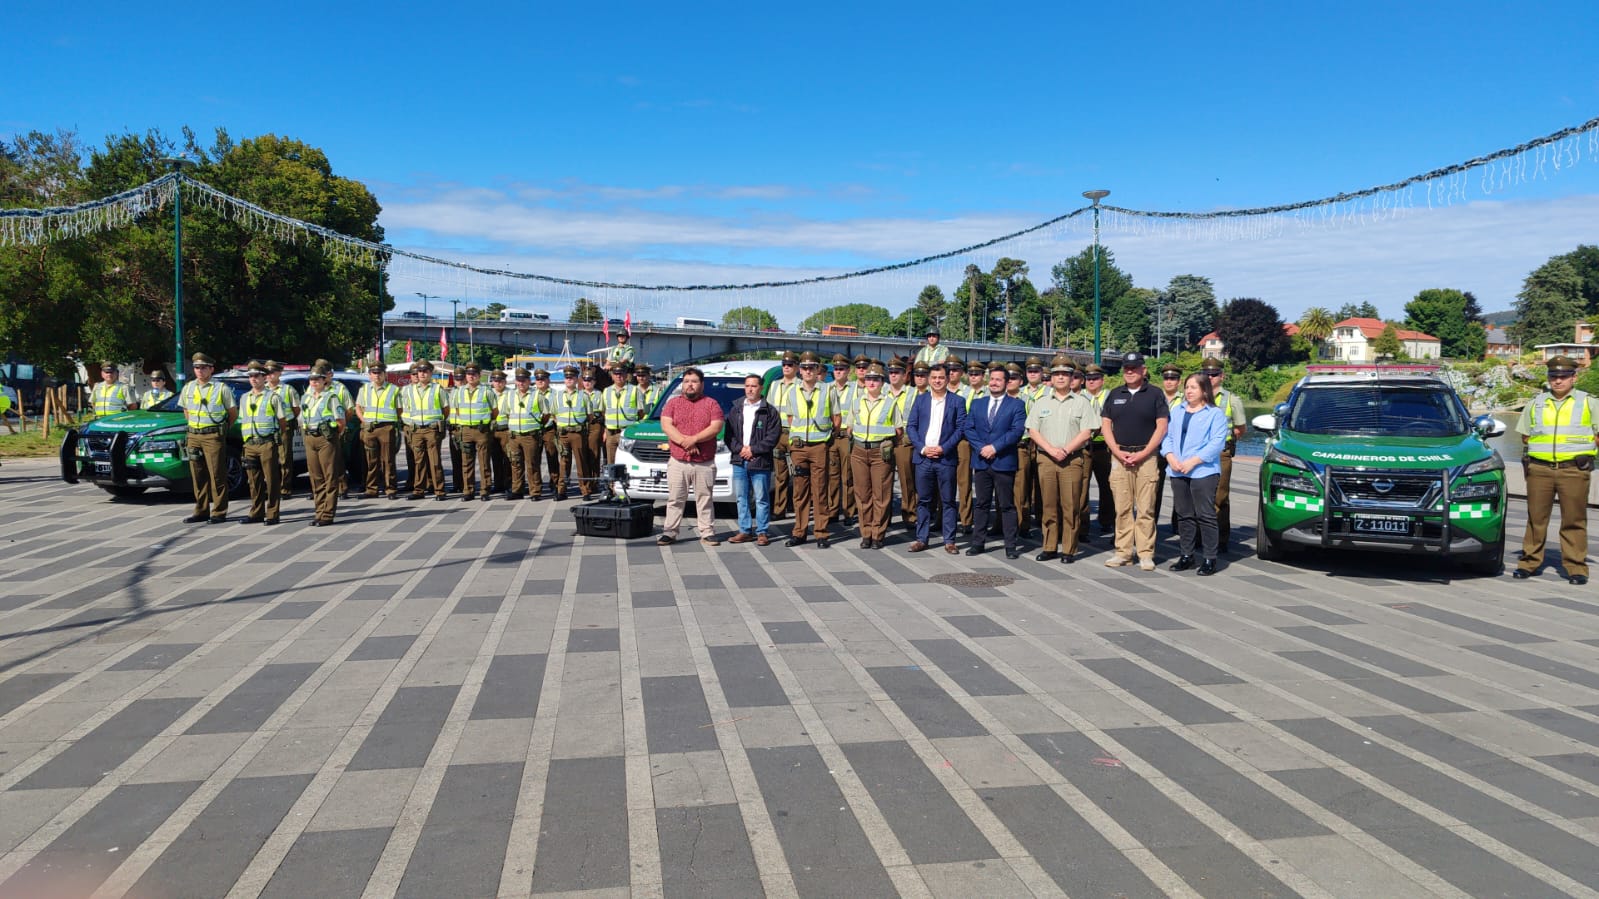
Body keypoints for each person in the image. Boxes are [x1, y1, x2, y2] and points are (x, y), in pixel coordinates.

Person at [1515, 355, 1599, 584]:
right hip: (1539, 469)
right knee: (1536, 518)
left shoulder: (1589, 402)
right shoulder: (1536, 402)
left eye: (1563, 376)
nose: (1558, 381)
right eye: (1554, 376)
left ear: (1574, 377)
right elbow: (1525, 435)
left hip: (1573, 469)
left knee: (1574, 519)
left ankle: (1576, 568)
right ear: (1548, 378)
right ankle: (1529, 563)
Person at [1100, 352, 1170, 570]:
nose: (1129, 371)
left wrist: (1145, 452)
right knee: (1121, 508)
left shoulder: (1155, 394)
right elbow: (1105, 426)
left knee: (1146, 508)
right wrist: (1117, 452)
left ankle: (1145, 553)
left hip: (1146, 457)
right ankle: (1122, 552)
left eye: (1134, 367)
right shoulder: (1114, 394)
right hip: (1120, 456)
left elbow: (1162, 427)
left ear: (1144, 370)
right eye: (1126, 368)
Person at [1027, 356, 1096, 562]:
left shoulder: (1082, 402)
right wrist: (1049, 449)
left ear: (1071, 377)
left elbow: (1086, 432)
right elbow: (1033, 431)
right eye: (1056, 374)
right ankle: (1049, 546)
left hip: (1071, 460)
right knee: (1048, 506)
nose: (1060, 378)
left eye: (1065, 374)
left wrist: (1065, 450)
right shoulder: (1041, 402)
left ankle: (1069, 549)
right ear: (1051, 377)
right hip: (1047, 459)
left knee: (1070, 506)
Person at [1162, 373, 1229, 575]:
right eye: (1187, 387)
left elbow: (1217, 443)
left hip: (1203, 471)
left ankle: (1209, 557)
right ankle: (1186, 555)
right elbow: (1167, 436)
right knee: (1184, 515)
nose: (1189, 391)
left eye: (1194, 387)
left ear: (1204, 390)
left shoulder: (1214, 414)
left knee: (1206, 515)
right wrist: (1170, 456)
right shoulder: (1177, 410)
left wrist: (1194, 461)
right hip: (1177, 468)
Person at [963, 362, 1028, 558]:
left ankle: (1010, 546)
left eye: (999, 380)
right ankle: (978, 543)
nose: (994, 383)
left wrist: (995, 447)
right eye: (992, 379)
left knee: (1006, 504)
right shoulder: (977, 403)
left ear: (1007, 383)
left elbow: (1016, 431)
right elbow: (968, 428)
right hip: (981, 461)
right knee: (981, 503)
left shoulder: (1016, 405)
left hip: (1003, 461)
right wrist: (981, 448)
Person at [658, 367, 724, 546]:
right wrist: (684, 442)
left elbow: (716, 427)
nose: (690, 385)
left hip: (704, 462)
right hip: (678, 461)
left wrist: (694, 439)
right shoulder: (672, 404)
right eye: (686, 382)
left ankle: (707, 532)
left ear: (701, 384)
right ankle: (670, 532)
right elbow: (666, 425)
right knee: (675, 499)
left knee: (705, 498)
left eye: (694, 381)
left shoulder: (712, 404)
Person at [906, 363, 966, 554]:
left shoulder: (957, 401)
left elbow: (960, 429)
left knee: (948, 500)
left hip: (945, 458)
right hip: (923, 458)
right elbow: (911, 427)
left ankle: (949, 540)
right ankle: (921, 538)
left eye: (941, 377)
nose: (937, 381)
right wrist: (923, 448)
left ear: (948, 379)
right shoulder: (920, 400)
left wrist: (943, 448)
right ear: (929, 380)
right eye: (934, 378)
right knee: (923, 500)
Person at [785, 351, 838, 548]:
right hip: (799, 447)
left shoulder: (828, 390)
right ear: (800, 370)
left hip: (819, 446)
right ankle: (799, 531)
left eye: (812, 367)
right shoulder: (792, 390)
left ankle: (821, 533)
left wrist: (825, 438)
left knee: (820, 490)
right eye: (805, 367)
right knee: (799, 492)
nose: (808, 371)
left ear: (818, 370)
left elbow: (837, 418)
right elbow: (791, 418)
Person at [849, 363, 903, 549]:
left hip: (880, 452)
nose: (871, 382)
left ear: (882, 382)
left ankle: (878, 534)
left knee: (881, 494)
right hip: (858, 451)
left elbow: (898, 430)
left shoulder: (890, 403)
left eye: (876, 379)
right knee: (863, 494)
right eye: (868, 379)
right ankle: (866, 534)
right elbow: (850, 427)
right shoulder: (856, 402)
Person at [178, 353, 237, 524]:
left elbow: (232, 413)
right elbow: (186, 410)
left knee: (217, 474)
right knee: (197, 475)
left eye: (203, 367)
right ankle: (201, 510)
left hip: (213, 435)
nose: (199, 371)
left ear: (211, 369)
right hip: (194, 434)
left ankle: (219, 511)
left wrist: (221, 430)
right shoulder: (188, 387)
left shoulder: (221, 388)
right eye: (197, 367)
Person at [725, 372, 781, 545]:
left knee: (761, 498)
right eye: (747, 385)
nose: (750, 389)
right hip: (740, 459)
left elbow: (773, 436)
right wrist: (740, 449)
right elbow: (729, 435)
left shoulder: (769, 411)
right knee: (741, 497)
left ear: (761, 388)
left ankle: (762, 531)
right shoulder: (736, 409)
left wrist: (754, 450)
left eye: (754, 386)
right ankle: (744, 530)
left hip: (760, 460)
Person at [1202, 358, 1247, 553]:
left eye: (1214, 374)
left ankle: (1221, 539)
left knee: (1220, 497)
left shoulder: (1231, 400)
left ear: (1222, 376)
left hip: (1221, 454)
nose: (1210, 378)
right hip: (1198, 454)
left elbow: (1240, 428)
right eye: (1206, 374)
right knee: (1199, 496)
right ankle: (1198, 536)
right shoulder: (1194, 396)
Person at [238, 361, 289, 525]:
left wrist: (275, 438)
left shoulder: (273, 397)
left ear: (264, 377)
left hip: (267, 443)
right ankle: (256, 512)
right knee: (253, 480)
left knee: (272, 479)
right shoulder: (245, 398)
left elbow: (282, 421)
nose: (253, 379)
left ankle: (273, 513)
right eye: (250, 376)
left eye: (256, 376)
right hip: (250, 443)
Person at [300, 369, 346, 526]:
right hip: (310, 438)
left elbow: (341, 421)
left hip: (326, 439)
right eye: (312, 379)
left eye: (318, 379)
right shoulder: (306, 397)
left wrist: (332, 437)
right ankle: (319, 512)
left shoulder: (331, 397)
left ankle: (328, 514)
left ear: (324, 380)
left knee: (329, 476)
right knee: (315, 477)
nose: (314, 382)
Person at [503, 367, 554, 500]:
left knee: (532, 463)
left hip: (530, 435)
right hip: (514, 435)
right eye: (518, 380)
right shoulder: (509, 395)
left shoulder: (537, 395)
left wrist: (539, 425)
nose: (521, 383)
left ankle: (535, 491)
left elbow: (547, 413)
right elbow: (507, 413)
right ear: (515, 381)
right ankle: (517, 490)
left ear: (528, 381)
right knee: (516, 463)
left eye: (523, 380)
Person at [402, 360, 449, 500]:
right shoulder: (408, 390)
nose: (422, 374)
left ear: (430, 373)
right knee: (419, 462)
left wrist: (436, 422)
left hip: (431, 430)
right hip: (416, 430)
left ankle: (439, 491)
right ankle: (419, 490)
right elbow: (405, 409)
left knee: (434, 461)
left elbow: (446, 409)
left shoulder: (437, 389)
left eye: (425, 371)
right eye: (420, 371)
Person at [449, 362, 496, 501]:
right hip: (466, 430)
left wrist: (485, 422)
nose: (471, 377)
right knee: (466, 462)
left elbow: (495, 411)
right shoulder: (459, 391)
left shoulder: (487, 391)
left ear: (479, 376)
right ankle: (468, 490)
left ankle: (484, 490)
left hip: (481, 430)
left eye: (474, 374)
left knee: (484, 462)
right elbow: (457, 410)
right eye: (468, 374)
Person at [355, 361, 401, 499]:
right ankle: (371, 489)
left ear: (384, 374)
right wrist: (364, 421)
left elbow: (399, 409)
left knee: (388, 460)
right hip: (370, 428)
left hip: (386, 427)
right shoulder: (364, 389)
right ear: (369, 375)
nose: (377, 376)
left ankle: (390, 489)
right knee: (371, 460)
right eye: (374, 373)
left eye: (379, 373)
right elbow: (358, 407)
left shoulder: (393, 389)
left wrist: (390, 421)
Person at [1081, 364, 1115, 541]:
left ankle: (1106, 520)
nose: (1091, 382)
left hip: (1104, 447)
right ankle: (1083, 525)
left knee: (1107, 486)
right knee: (1082, 487)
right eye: (1088, 379)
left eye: (1095, 379)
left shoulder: (1110, 396)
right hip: (1085, 446)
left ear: (1102, 380)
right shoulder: (1080, 397)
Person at [766, 352, 801, 520]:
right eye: (784, 364)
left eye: (790, 364)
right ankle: (779, 510)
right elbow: (770, 409)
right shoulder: (774, 385)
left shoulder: (801, 385)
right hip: (778, 434)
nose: (786, 367)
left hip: (795, 433)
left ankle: (798, 507)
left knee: (799, 473)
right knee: (780, 474)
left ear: (797, 367)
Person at [555, 364, 597, 499]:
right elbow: (553, 414)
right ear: (564, 379)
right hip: (563, 434)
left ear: (576, 379)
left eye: (572, 377)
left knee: (581, 462)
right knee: (564, 463)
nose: (569, 380)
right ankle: (561, 490)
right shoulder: (557, 396)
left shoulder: (583, 396)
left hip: (578, 434)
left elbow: (590, 416)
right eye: (567, 377)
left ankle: (585, 491)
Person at [827, 354, 859, 524]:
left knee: (848, 476)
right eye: (836, 369)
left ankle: (849, 511)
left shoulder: (855, 388)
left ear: (848, 371)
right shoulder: (827, 388)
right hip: (832, 437)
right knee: (832, 476)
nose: (838, 372)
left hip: (847, 437)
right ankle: (832, 511)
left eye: (842, 369)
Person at [887, 358, 919, 530]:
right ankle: (886, 515)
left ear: (904, 374)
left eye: (897, 372)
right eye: (891, 372)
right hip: (884, 441)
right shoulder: (882, 391)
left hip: (904, 442)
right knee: (884, 481)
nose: (893, 375)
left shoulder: (913, 393)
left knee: (907, 480)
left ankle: (910, 515)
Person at [1155, 361, 1184, 532]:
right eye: (1166, 377)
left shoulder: (1186, 400)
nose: (1169, 381)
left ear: (1179, 381)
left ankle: (1178, 525)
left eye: (1173, 378)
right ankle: (1152, 523)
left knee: (1179, 489)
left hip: (1177, 450)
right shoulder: (1155, 397)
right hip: (1157, 449)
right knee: (1154, 489)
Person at [602, 362, 648, 466]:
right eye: (616, 373)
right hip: (611, 433)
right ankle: (612, 483)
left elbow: (641, 412)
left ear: (626, 375)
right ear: (612, 375)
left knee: (628, 463)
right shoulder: (606, 391)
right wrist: (605, 430)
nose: (619, 376)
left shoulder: (635, 390)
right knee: (611, 464)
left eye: (621, 373)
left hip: (628, 432)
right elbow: (604, 412)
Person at [264, 361, 300, 497]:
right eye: (267, 373)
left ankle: (285, 488)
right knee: (269, 458)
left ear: (279, 373)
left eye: (272, 372)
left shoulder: (287, 389)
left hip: (285, 426)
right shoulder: (264, 389)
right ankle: (271, 487)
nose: (269, 375)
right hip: (268, 427)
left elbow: (296, 409)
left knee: (284, 458)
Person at [487, 369, 512, 494]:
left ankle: (509, 483)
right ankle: (498, 484)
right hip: (492, 430)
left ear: (505, 381)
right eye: (495, 381)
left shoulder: (511, 393)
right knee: (495, 458)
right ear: (492, 382)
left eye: (501, 381)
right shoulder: (488, 393)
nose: (498, 383)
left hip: (506, 429)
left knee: (508, 458)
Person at [582, 366, 607, 468]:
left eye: (590, 380)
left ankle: (595, 479)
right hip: (583, 425)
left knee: (594, 452)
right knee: (584, 454)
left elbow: (603, 412)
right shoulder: (579, 394)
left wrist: (605, 430)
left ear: (594, 381)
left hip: (595, 425)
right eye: (585, 380)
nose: (587, 382)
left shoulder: (599, 394)